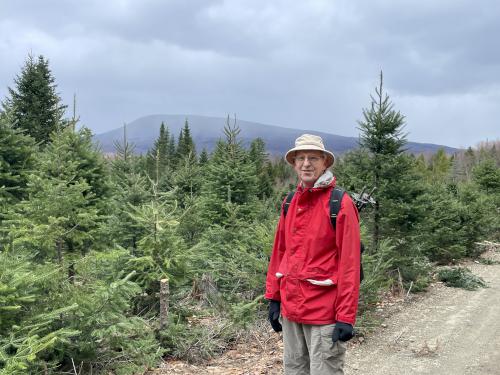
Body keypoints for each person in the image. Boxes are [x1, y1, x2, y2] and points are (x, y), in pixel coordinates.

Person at [265, 134, 360, 375]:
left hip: (324, 312)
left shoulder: (340, 203)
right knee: (294, 371)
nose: (306, 163)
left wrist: (346, 316)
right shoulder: (290, 202)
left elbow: (350, 264)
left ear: (325, 162)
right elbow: (280, 253)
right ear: (294, 164)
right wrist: (274, 297)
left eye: (313, 158)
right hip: (291, 309)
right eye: (301, 158)